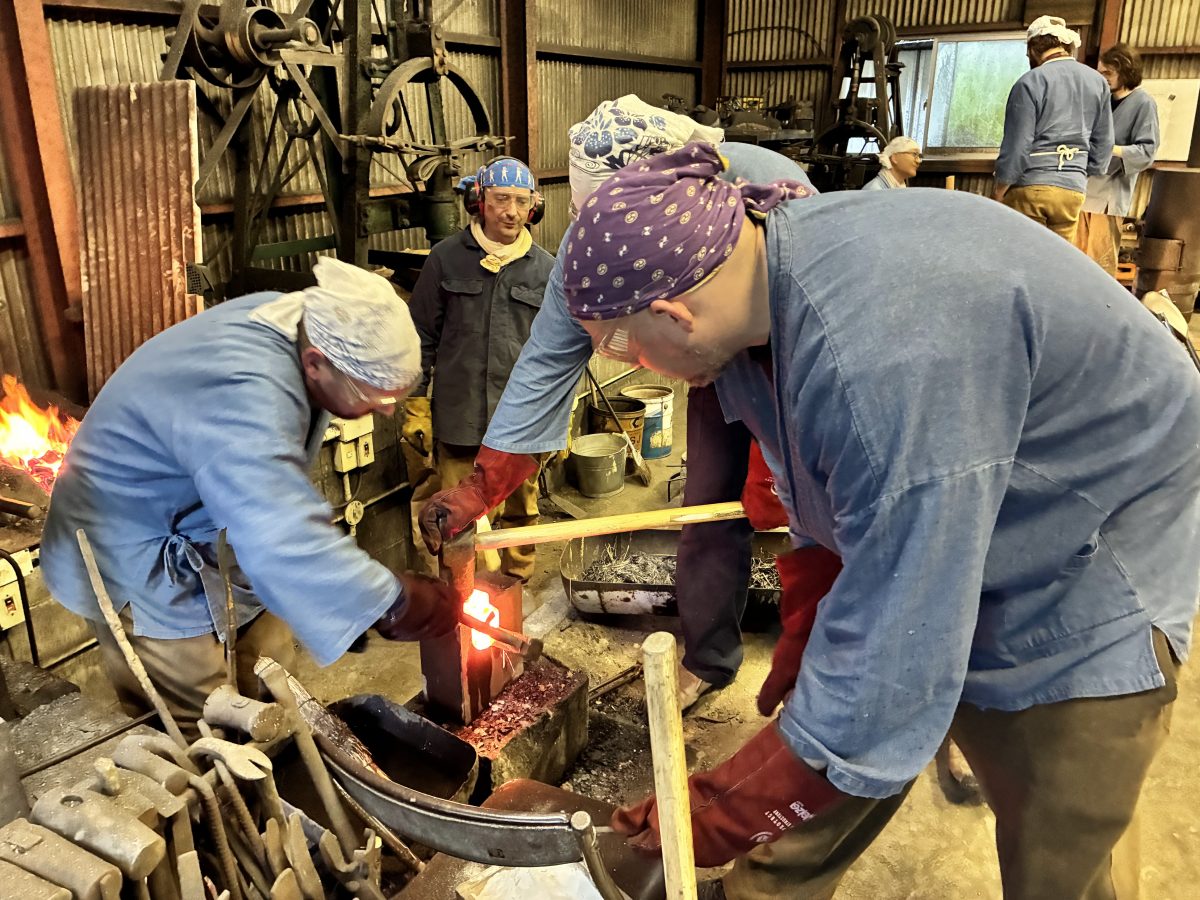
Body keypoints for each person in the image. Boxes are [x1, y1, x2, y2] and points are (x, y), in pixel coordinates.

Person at [563, 142, 1199, 899]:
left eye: (624, 345)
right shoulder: (762, 295)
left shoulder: (880, 359)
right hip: (955, 495)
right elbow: (824, 487)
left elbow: (897, 645)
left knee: (1058, 846)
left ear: (675, 313)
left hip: (1087, 549)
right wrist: (812, 609)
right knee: (855, 710)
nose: (633, 361)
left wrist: (729, 808)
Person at [416, 96, 825, 711]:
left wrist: (782, 463)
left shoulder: (769, 191)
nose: (593, 240)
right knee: (707, 509)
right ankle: (708, 658)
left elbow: (821, 346)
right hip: (704, 365)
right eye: (586, 220)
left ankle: (821, 665)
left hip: (787, 352)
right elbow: (546, 361)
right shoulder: (589, 245)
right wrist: (483, 484)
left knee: (812, 506)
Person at [41, 259, 461, 736]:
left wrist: (355, 603)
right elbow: (277, 527)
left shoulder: (304, 322)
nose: (385, 414)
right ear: (316, 363)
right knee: (203, 725)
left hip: (213, 524)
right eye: (376, 398)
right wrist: (390, 601)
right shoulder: (244, 386)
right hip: (136, 550)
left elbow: (272, 501)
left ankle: (282, 764)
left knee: (275, 682)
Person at [403, 156, 554, 581]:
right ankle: (458, 594)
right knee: (453, 513)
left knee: (521, 512)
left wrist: (557, 421)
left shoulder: (546, 270)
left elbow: (557, 352)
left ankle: (516, 585)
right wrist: (416, 405)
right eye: (501, 199)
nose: (511, 211)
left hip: (520, 420)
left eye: (521, 201)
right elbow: (419, 338)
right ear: (480, 201)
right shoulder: (445, 259)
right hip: (459, 416)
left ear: (534, 207)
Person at [993, 16, 1113, 242]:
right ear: (1066, 46)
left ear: (1033, 50)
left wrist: (1000, 190)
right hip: (1072, 191)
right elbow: (1104, 143)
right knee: (1057, 259)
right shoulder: (1098, 82)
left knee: (1022, 256)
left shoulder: (1030, 82)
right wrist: (1078, 173)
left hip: (1032, 187)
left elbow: (1018, 145)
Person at [1075, 43, 1160, 277]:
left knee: (1099, 265)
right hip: (1083, 189)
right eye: (1100, 72)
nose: (1103, 78)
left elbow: (1147, 151)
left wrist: (1111, 149)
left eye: (1108, 73)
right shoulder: (1103, 100)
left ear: (1126, 72)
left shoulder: (1143, 103)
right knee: (1075, 259)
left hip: (1108, 197)